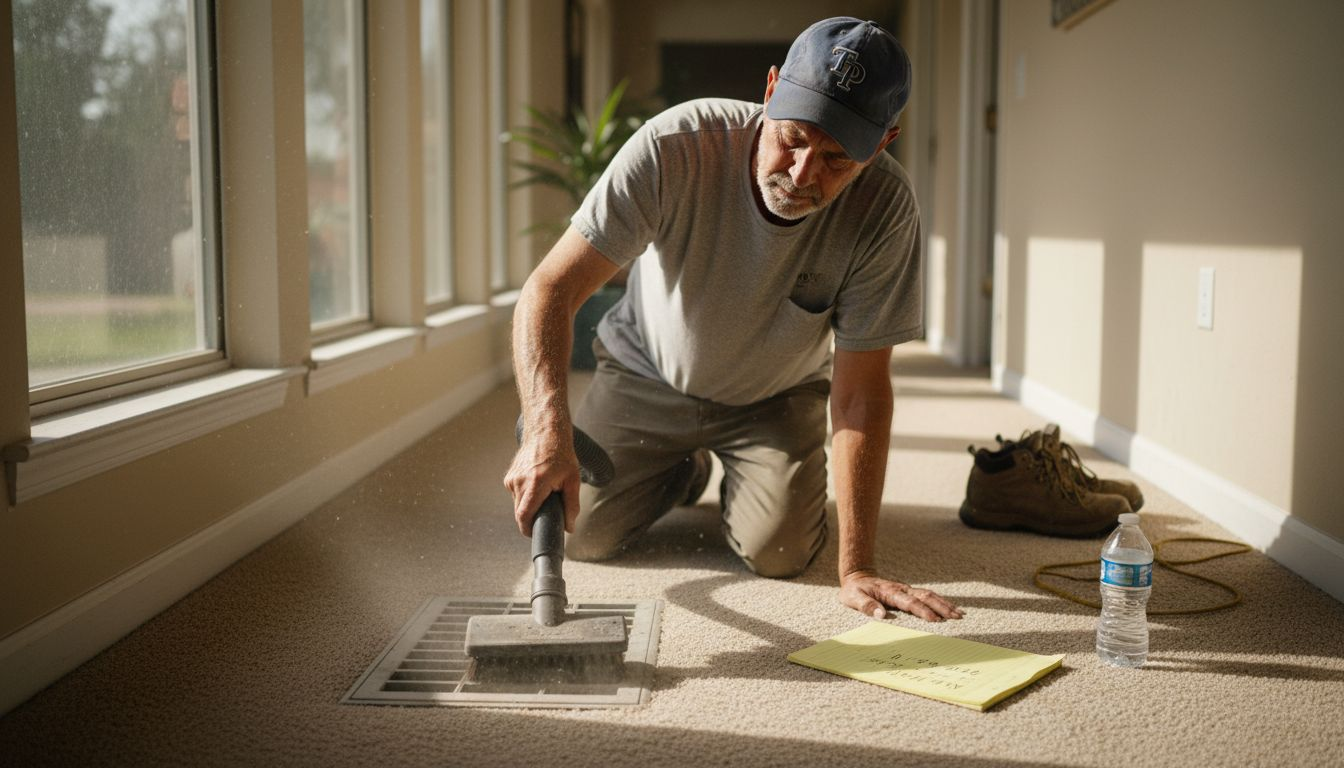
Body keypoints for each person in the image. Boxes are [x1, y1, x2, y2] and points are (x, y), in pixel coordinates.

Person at [505, 17, 962, 623]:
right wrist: (544, 432)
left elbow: (860, 396)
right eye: (793, 138)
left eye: (835, 159)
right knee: (582, 532)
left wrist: (857, 567)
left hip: (774, 397)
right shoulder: (674, 146)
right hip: (649, 374)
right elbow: (549, 290)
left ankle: (737, 476)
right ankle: (681, 469)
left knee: (782, 552)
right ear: (771, 89)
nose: (802, 175)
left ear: (880, 144)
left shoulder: (886, 208)